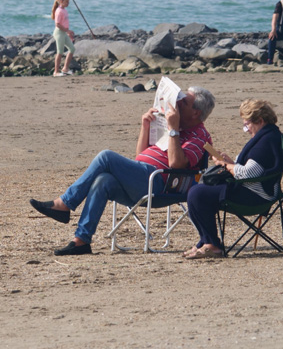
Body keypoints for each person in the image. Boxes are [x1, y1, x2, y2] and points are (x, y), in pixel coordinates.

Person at [30, 86, 216, 256]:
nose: (176, 103)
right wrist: (145, 127)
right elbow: (141, 157)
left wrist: (173, 129)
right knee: (103, 180)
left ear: (195, 113)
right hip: (144, 178)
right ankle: (81, 241)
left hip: (161, 186)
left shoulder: (198, 135)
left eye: (183, 102)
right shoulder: (174, 126)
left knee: (106, 156)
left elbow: (176, 164)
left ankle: (64, 203)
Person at [184, 99, 283, 259]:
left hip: (255, 195)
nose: (246, 129)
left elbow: (249, 173)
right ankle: (206, 241)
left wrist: (225, 165)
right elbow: (256, 169)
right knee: (198, 192)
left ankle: (212, 245)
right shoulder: (270, 135)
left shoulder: (265, 141)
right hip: (258, 190)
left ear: (260, 121)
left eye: (247, 124)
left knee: (197, 194)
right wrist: (231, 163)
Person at [51, 0, 75, 77]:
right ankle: (56, 71)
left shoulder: (64, 10)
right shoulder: (59, 10)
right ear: (61, 1)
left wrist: (69, 32)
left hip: (64, 32)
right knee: (60, 52)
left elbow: (64, 23)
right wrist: (67, 31)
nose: (68, 3)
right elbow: (57, 24)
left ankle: (65, 68)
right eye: (66, 2)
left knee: (72, 49)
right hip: (59, 33)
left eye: (68, 2)